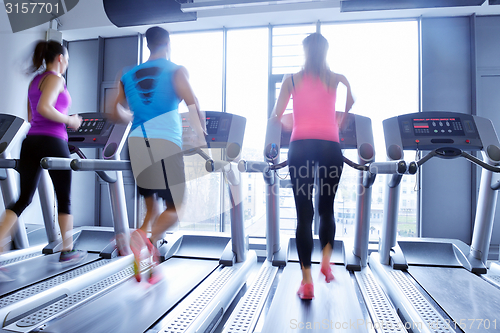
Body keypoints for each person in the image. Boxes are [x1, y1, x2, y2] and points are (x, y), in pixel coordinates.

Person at [111, 26, 206, 284]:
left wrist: (132, 116)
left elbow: (114, 111)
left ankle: (151, 261)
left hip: (135, 142)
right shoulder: (176, 70)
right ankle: (146, 240)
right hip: (164, 142)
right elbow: (192, 102)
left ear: (148, 44)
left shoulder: (127, 74)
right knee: (175, 207)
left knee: (151, 208)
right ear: (167, 42)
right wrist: (201, 135)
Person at [270, 33, 354, 300]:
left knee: (304, 214)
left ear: (304, 52)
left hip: (301, 146)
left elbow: (276, 115)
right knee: (326, 208)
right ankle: (326, 263)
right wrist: (339, 122)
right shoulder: (336, 78)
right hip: (331, 146)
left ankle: (307, 282)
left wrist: (295, 120)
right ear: (326, 52)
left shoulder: (291, 79)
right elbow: (351, 100)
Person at [0, 40, 86, 281]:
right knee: (64, 198)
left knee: (23, 199)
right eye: (66, 58)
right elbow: (45, 107)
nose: (67, 62)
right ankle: (67, 250)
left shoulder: (34, 81)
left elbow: (32, 114)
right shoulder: (57, 79)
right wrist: (69, 121)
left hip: (31, 142)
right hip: (53, 140)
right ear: (60, 58)